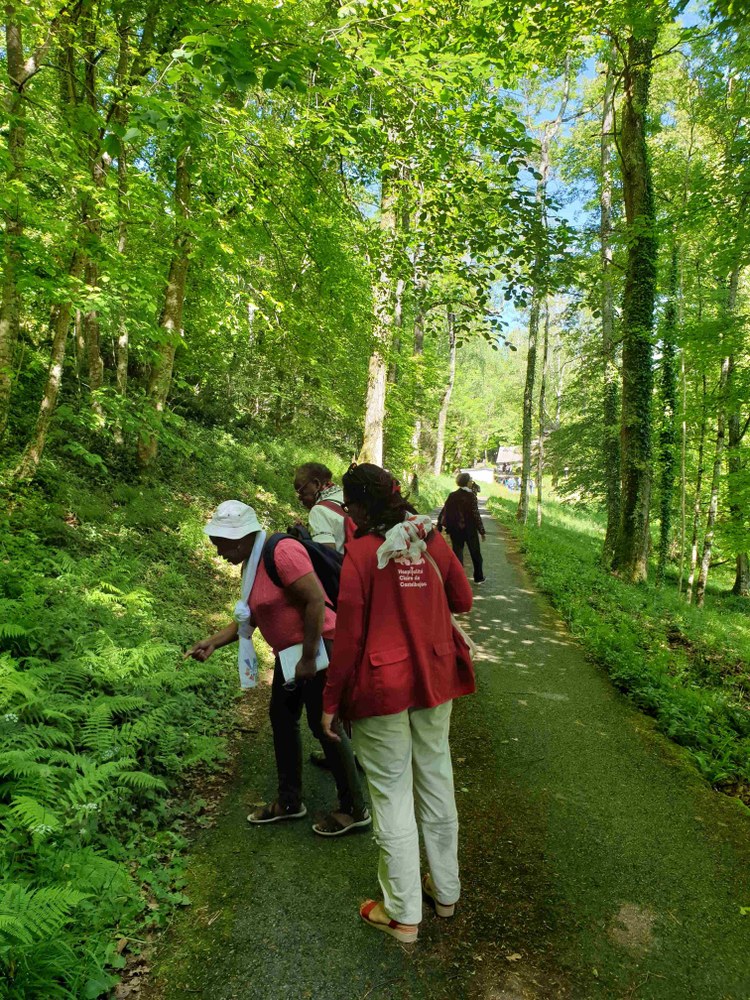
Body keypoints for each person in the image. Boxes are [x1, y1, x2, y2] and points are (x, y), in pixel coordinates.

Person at [321, 464, 474, 944]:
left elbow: (348, 638)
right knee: (436, 777)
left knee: (391, 793)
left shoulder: (361, 553)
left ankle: (403, 913)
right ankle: (445, 893)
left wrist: (330, 702)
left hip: (381, 686)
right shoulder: (429, 538)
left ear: (358, 507)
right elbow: (463, 600)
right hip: (434, 678)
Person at [185, 500, 369, 837]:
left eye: (221, 545)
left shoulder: (281, 552)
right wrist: (212, 642)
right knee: (283, 720)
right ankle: (289, 801)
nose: (219, 554)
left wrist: (309, 658)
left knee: (324, 726)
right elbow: (252, 615)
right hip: (290, 656)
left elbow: (315, 600)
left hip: (318, 649)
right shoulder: (251, 563)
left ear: (241, 537)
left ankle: (354, 808)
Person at [437, 472, 486, 584]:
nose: (472, 482)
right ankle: (478, 577)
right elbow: (476, 514)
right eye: (470, 480)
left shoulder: (452, 495)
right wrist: (481, 530)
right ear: (467, 482)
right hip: (470, 530)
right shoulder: (471, 496)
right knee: (476, 554)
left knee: (457, 555)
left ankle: (458, 580)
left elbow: (444, 511)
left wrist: (439, 525)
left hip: (455, 530)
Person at [293, 462, 352, 554]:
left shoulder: (319, 511)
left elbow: (326, 557)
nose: (300, 498)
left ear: (316, 484)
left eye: (301, 491)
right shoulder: (345, 496)